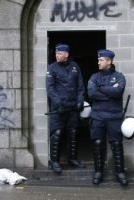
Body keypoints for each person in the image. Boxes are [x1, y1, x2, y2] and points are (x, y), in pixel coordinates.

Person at [88, 49, 128, 186]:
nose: (98, 62)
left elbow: (118, 92)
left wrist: (101, 88)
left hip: (114, 116)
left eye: (101, 60)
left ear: (109, 61)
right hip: (98, 115)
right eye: (98, 60)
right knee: (98, 143)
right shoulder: (94, 77)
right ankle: (98, 172)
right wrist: (110, 90)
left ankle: (120, 172)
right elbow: (92, 94)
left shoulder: (119, 76)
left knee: (116, 144)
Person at [45, 43, 85, 175]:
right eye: (56, 53)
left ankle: (72, 159)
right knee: (56, 134)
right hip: (59, 109)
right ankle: (55, 161)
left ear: (66, 54)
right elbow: (50, 88)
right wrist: (58, 104)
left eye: (59, 53)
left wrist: (80, 101)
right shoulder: (52, 68)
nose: (57, 55)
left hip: (73, 107)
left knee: (73, 133)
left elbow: (80, 86)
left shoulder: (75, 67)